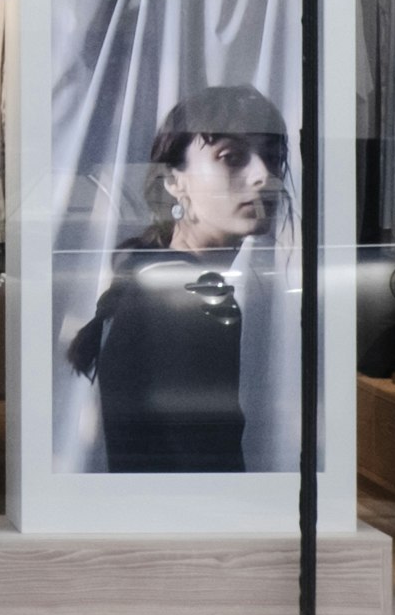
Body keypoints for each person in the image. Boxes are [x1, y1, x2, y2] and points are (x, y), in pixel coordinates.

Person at [63, 84, 288, 473]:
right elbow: (205, 454)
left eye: (273, 157)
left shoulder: (152, 268)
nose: (262, 176)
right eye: (232, 157)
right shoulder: (192, 292)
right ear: (174, 181)